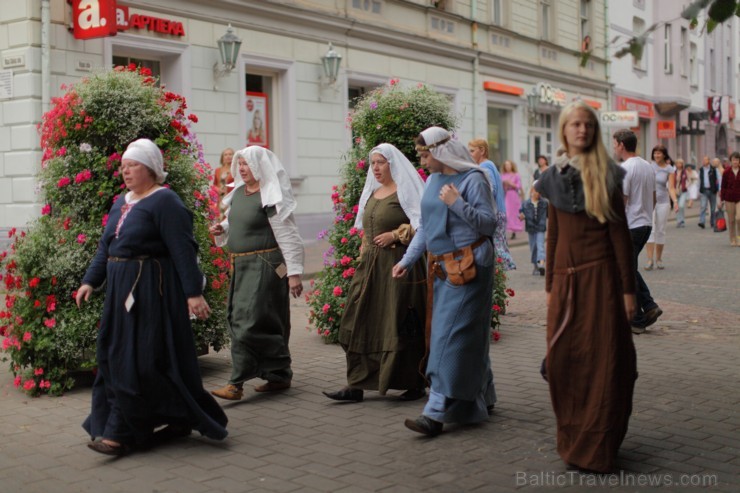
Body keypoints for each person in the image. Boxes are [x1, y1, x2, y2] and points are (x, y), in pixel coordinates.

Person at [76, 138, 228, 456]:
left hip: (150, 294)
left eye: (132, 165)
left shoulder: (165, 202)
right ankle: (173, 417)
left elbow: (183, 250)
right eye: (123, 166)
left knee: (140, 361)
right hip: (120, 293)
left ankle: (119, 432)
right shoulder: (123, 201)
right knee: (114, 355)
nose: (125, 171)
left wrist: (193, 294)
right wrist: (91, 281)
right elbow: (107, 247)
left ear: (150, 168)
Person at [535, 102, 636, 473]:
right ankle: (573, 438)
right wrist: (549, 284)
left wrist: (628, 291)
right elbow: (553, 234)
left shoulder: (607, 174)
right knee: (564, 362)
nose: (581, 130)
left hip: (602, 281)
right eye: (575, 124)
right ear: (564, 130)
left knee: (603, 362)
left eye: (588, 125)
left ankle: (598, 447)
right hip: (564, 281)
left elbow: (620, 237)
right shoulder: (550, 177)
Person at [392, 127, 497, 437]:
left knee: (447, 338)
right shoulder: (433, 181)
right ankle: (484, 395)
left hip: (469, 267)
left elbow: (489, 223)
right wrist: (407, 260)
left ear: (440, 151)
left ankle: (435, 411)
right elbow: (424, 227)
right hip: (442, 269)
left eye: (425, 155)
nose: (422, 161)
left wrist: (457, 204)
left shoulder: (473, 179)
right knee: (466, 334)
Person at [323, 144, 427, 403]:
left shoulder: (406, 191)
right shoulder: (373, 192)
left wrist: (396, 234)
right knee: (357, 319)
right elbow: (366, 232)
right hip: (370, 267)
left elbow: (425, 225)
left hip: (398, 265)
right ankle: (356, 383)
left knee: (397, 322)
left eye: (381, 162)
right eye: (373, 163)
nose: (376, 168)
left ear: (392, 164)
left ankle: (413, 382)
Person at [210, 146, 304, 400]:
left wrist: (294, 272)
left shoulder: (269, 195)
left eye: (246, 164)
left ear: (259, 167)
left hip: (266, 264)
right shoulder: (239, 193)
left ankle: (236, 383)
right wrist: (223, 228)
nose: (241, 168)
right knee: (253, 318)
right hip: (241, 265)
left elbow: (287, 234)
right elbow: (237, 221)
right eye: (239, 164)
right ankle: (279, 374)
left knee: (247, 321)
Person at [612, 129, 663, 335]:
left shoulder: (625, 168)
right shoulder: (647, 166)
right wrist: (645, 217)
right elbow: (653, 198)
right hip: (645, 224)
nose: (614, 148)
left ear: (622, 145)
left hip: (630, 226)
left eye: (615, 144)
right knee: (629, 268)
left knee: (626, 271)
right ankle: (649, 307)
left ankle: (638, 319)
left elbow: (622, 201)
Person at [468, 138, 516, 270]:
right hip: (500, 211)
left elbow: (491, 188)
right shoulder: (490, 164)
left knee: (496, 247)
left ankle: (501, 270)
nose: (469, 154)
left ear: (482, 151)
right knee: (498, 244)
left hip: (494, 213)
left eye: (472, 151)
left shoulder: (484, 166)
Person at [644, 145, 677, 270]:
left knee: (661, 230)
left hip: (663, 202)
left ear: (664, 155)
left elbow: (671, 187)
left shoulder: (669, 169)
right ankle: (649, 259)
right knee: (650, 230)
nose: (656, 156)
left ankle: (659, 259)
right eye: (655, 153)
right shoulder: (648, 167)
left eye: (659, 153)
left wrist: (675, 200)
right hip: (649, 202)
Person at [518, 187, 547, 276]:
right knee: (533, 248)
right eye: (536, 191)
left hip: (540, 227)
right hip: (531, 228)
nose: (537, 193)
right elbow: (520, 214)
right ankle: (536, 266)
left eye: (539, 191)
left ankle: (541, 265)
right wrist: (521, 216)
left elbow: (549, 214)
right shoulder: (526, 203)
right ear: (532, 191)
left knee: (540, 246)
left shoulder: (544, 203)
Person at [719, 151, 740, 246]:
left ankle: (739, 238)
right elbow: (723, 187)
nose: (735, 161)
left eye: (737, 159)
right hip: (729, 198)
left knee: (739, 218)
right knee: (731, 220)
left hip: (739, 198)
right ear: (731, 161)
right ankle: (733, 239)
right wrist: (721, 200)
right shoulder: (726, 172)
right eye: (734, 159)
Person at [501, 160, 524, 239]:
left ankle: (514, 231)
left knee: (514, 213)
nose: (507, 167)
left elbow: (518, 186)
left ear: (512, 166)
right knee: (506, 213)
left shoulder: (516, 175)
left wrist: (510, 183)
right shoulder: (503, 175)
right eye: (506, 165)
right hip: (506, 195)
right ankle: (505, 230)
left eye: (509, 165)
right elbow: (501, 187)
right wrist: (504, 184)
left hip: (513, 195)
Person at [698, 155, 721, 229]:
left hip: (712, 190)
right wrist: (698, 190)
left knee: (712, 208)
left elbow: (719, 179)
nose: (704, 161)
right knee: (703, 206)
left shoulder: (714, 169)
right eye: (703, 160)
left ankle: (713, 222)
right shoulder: (701, 170)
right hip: (704, 190)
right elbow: (699, 180)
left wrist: (719, 189)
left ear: (709, 161)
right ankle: (702, 222)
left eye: (705, 160)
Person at [674, 158, 690, 228]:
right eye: (677, 163)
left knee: (681, 205)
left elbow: (689, 180)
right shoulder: (673, 172)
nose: (679, 165)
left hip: (683, 191)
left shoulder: (685, 172)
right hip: (675, 191)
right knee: (677, 207)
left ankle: (682, 220)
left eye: (680, 163)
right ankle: (679, 221)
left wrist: (686, 185)